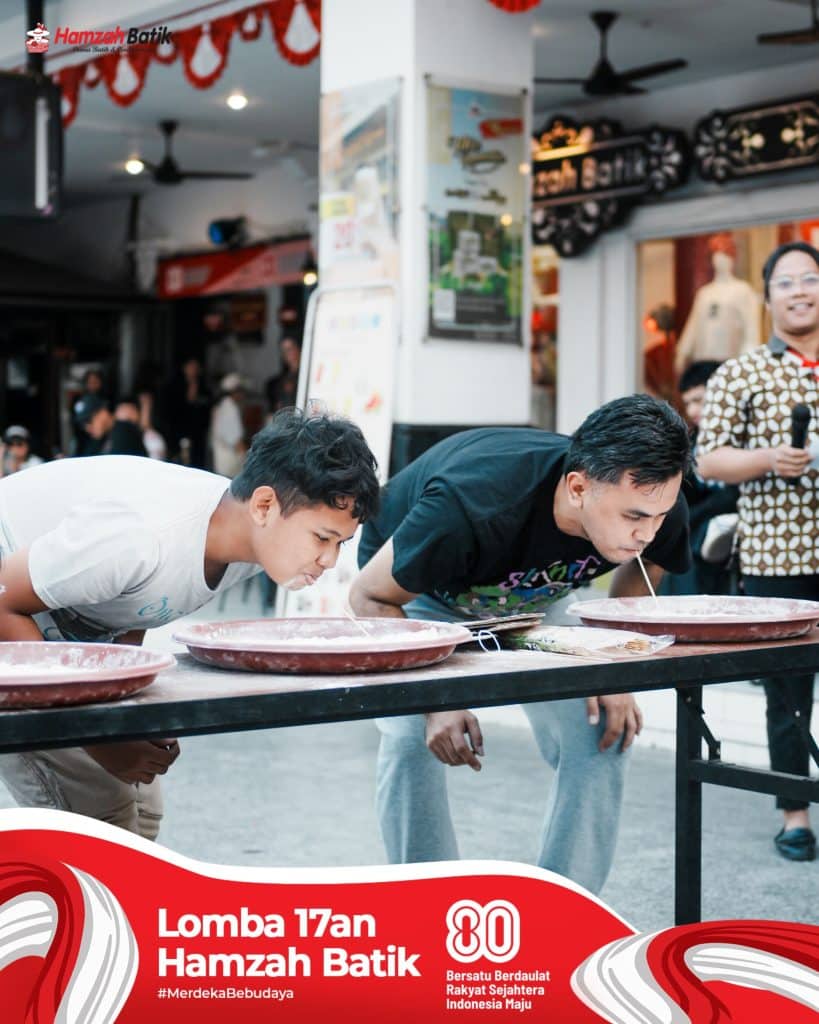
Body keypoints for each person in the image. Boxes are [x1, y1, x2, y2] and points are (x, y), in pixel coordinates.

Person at [350, 394, 692, 893]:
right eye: (634, 517)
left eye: (659, 518)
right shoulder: (471, 502)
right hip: (420, 597)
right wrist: (434, 698)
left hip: (534, 599)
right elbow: (369, 596)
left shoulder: (656, 500)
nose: (647, 533)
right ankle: (428, 900)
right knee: (410, 736)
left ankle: (567, 908)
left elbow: (645, 572)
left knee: (604, 726)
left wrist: (614, 665)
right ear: (578, 488)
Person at [0, 408, 380, 839]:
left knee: (143, 809)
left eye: (341, 543)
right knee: (103, 819)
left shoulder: (243, 539)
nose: (329, 560)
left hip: (52, 618)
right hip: (10, 605)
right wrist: (97, 738)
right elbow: (4, 603)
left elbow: (136, 602)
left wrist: (122, 717)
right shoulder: (141, 537)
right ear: (264, 505)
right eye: (322, 538)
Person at [697, 240, 819, 863]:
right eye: (786, 282)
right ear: (768, 297)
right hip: (778, 556)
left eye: (810, 279)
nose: (800, 291)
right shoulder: (740, 372)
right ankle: (795, 812)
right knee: (789, 693)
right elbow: (709, 459)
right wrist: (772, 458)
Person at [660, 361, 739, 596]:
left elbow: (732, 495)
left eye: (699, 400)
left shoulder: (745, 439)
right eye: (687, 403)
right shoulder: (691, 442)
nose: (693, 410)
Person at [674, 232, 761, 375]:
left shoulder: (743, 291)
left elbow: (751, 331)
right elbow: (693, 326)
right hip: (702, 365)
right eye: (716, 254)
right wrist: (682, 352)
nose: (721, 259)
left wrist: (748, 365)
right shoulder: (704, 293)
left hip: (730, 365)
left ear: (732, 258)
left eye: (725, 254)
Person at [163, 357, 212, 469]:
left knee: (196, 462)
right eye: (191, 366)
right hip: (178, 431)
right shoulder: (174, 386)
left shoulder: (203, 387)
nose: (193, 370)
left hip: (197, 433)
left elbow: (206, 406)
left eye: (196, 367)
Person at [72, 395, 148, 457]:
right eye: (83, 424)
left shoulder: (123, 429)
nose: (87, 428)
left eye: (89, 421)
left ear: (103, 412)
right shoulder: (99, 439)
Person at [211, 372, 246, 476]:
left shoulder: (222, 406)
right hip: (230, 464)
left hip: (221, 461)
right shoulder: (230, 409)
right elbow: (237, 442)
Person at [266, 336, 302, 415]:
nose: (287, 353)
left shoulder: (305, 375)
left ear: (298, 349)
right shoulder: (282, 379)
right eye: (283, 351)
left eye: (290, 349)